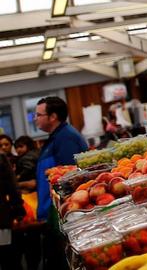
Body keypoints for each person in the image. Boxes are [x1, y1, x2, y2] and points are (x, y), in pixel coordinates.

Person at [30, 96, 87, 270]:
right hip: (53, 215)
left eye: (39, 114)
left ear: (53, 116)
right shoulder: (56, 138)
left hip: (62, 218)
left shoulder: (65, 138)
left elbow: (70, 179)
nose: (35, 118)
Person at [12, 136, 40, 270]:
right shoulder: (36, 154)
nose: (18, 150)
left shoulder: (26, 158)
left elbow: (26, 173)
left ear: (28, 146)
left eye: (20, 146)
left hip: (30, 199)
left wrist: (16, 180)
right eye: (16, 147)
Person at [0, 153, 25, 270]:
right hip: (2, 218)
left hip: (2, 219)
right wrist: (18, 209)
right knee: (7, 256)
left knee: (7, 255)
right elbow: (12, 186)